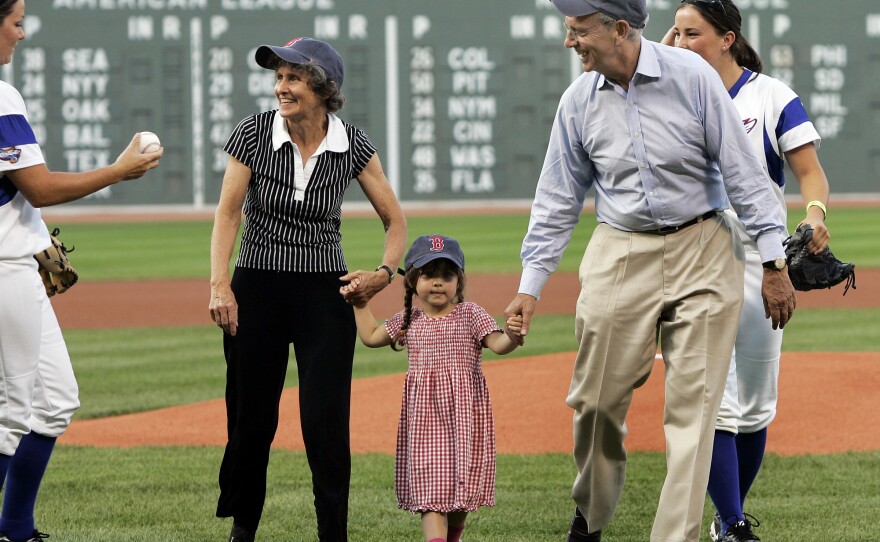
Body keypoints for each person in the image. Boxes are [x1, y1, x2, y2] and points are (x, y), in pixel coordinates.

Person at [503, 0, 798, 541]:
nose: (571, 42)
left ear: (619, 29)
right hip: (621, 249)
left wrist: (775, 262)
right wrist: (531, 284)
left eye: (579, 30)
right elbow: (556, 199)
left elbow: (744, 172)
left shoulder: (692, 78)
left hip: (704, 245)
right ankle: (591, 514)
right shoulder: (578, 101)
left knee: (696, 411)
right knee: (595, 401)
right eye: (569, 30)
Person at [208, 36, 406, 542]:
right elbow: (229, 213)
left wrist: (382, 275)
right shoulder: (251, 134)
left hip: (325, 294)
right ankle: (243, 528)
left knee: (325, 423)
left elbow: (395, 221)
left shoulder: (353, 145)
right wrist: (221, 286)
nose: (281, 87)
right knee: (251, 419)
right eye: (279, 77)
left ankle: (332, 534)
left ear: (323, 88)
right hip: (257, 289)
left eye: (293, 78)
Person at [663, 1, 831, 540]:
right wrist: (665, 61)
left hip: (761, 253)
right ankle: (736, 524)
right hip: (691, 253)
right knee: (715, 400)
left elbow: (809, 173)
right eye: (678, 33)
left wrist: (814, 215)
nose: (683, 42)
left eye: (694, 34)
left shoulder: (770, 96)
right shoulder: (670, 88)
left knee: (755, 405)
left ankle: (725, 516)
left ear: (727, 38)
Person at [0, 1, 163, 541]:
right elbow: (40, 186)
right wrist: (120, 170)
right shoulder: (0, 96)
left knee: (55, 402)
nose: (22, 33)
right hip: (4, 270)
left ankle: (16, 530)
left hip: (15, 262)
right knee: (11, 414)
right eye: (16, 21)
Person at [340, 234, 522, 542]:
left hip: (466, 419)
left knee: (461, 488)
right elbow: (371, 335)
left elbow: (499, 344)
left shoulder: (471, 314)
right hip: (425, 421)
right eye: (428, 274)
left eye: (447, 275)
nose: (438, 282)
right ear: (412, 281)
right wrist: (360, 303)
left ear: (458, 282)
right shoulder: (409, 320)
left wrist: (514, 336)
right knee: (432, 488)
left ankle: (454, 535)